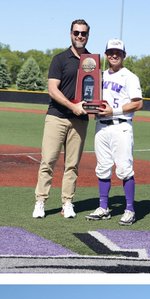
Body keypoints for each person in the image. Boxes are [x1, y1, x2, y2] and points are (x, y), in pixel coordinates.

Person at [33, 18, 93, 220]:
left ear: (88, 35)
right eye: (76, 32)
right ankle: (40, 201)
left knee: (72, 165)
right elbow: (52, 89)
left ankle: (67, 203)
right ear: (70, 34)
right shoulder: (60, 59)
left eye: (83, 33)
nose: (79, 36)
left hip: (80, 120)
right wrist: (72, 106)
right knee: (48, 160)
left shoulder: (92, 61)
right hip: (57, 117)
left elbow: (94, 91)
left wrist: (91, 107)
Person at [86, 40, 143, 225]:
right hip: (101, 126)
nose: (114, 55)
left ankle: (129, 209)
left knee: (124, 168)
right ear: (106, 54)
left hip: (121, 125)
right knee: (102, 167)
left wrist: (114, 111)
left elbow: (138, 103)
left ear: (124, 55)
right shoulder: (99, 76)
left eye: (118, 52)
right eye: (110, 52)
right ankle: (103, 207)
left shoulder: (130, 77)